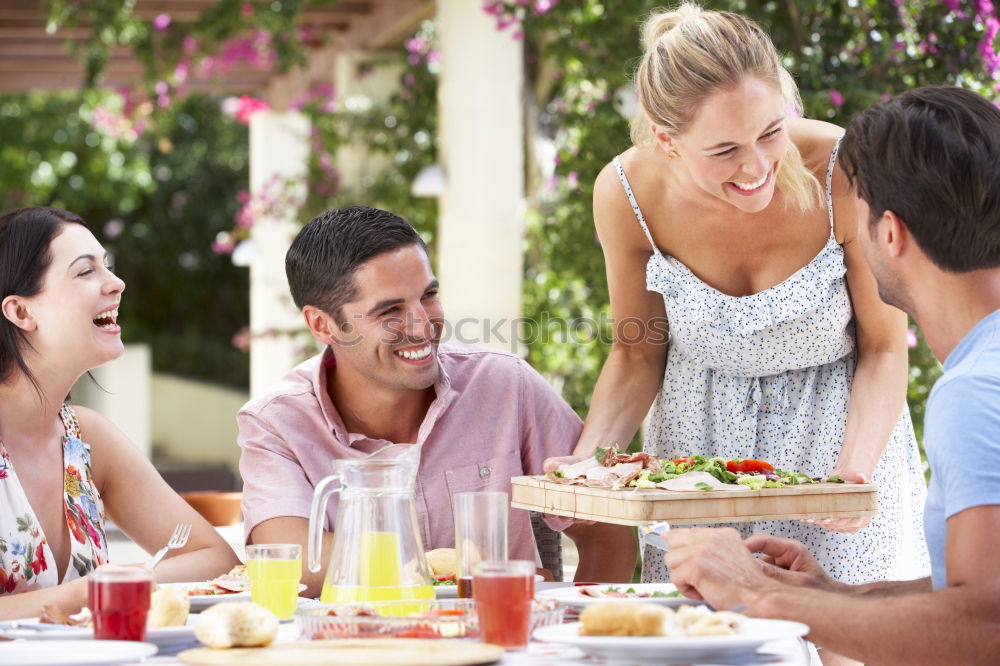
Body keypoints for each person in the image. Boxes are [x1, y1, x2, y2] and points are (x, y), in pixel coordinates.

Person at [566, 1, 927, 601]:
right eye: (725, 150)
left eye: (770, 132)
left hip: (839, 442)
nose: (757, 166)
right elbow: (636, 356)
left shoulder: (843, 169)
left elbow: (885, 347)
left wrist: (852, 474)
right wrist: (588, 464)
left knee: (845, 634)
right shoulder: (626, 192)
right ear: (666, 139)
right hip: (697, 458)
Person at [661, 85, 1000, 665]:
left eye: (855, 210)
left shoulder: (974, 391)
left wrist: (756, 593)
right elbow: (972, 594)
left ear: (889, 233)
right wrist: (831, 596)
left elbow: (984, 627)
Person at [237, 205, 635, 595]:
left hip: (504, 644)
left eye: (428, 295)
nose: (423, 324)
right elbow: (292, 561)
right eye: (390, 310)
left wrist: (582, 621)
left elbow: (605, 526)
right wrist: (454, 569)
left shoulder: (504, 385)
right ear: (323, 324)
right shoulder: (276, 423)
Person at [0, 207, 240, 621]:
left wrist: (130, 580)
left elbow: (214, 558)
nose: (117, 283)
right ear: (22, 312)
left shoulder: (86, 439)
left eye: (106, 266)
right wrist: (87, 594)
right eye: (84, 271)